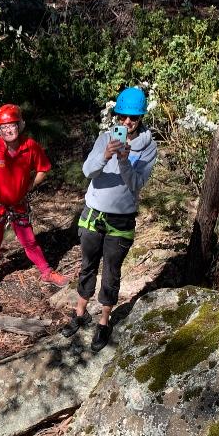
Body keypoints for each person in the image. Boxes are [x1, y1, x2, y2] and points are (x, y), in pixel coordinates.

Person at [68, 86, 157, 352]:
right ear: (116, 116)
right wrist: (105, 154)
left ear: (141, 118)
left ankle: (104, 322)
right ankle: (80, 313)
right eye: (122, 117)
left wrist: (124, 160)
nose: (127, 123)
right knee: (87, 265)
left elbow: (136, 184)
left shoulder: (149, 148)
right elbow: (87, 171)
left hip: (121, 219)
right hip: (94, 213)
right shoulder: (104, 138)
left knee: (111, 273)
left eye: (133, 118)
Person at [0, 104, 68, 296]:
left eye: (12, 125)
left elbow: (43, 169)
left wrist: (29, 185)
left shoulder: (30, 147)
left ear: (20, 126)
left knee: (30, 241)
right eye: (4, 127)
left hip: (17, 204)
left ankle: (46, 272)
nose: (8, 130)